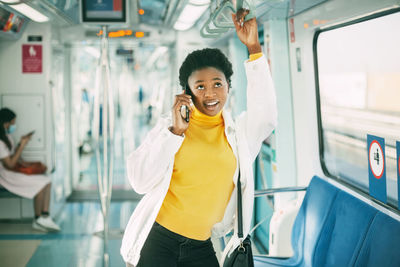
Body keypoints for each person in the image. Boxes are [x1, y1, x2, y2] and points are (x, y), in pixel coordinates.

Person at [121, 11, 277, 267]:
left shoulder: (238, 134)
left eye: (217, 84)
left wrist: (254, 48)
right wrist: (175, 133)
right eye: (200, 86)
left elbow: (267, 115)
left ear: (228, 86)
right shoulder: (169, 127)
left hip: (201, 245)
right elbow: (139, 181)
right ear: (187, 92)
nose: (210, 93)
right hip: (156, 240)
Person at [0, 108, 61, 232]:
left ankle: (44, 216)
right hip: (6, 175)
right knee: (40, 184)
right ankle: (38, 219)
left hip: (13, 171)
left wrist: (21, 147)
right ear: (5, 123)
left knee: (46, 180)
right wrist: (22, 146)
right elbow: (10, 164)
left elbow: (16, 158)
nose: (13, 126)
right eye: (12, 123)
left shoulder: (8, 137)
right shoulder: (0, 142)